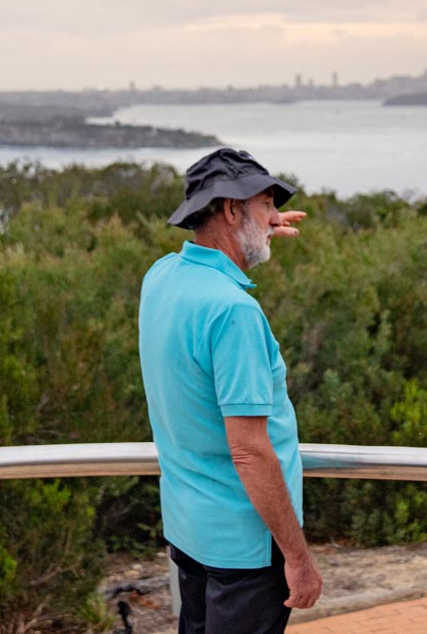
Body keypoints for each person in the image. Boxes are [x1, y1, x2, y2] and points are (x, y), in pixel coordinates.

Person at [139, 148, 317, 634]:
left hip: (189, 531)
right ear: (231, 210)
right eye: (266, 205)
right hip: (244, 550)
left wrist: (257, 233)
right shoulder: (233, 313)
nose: (276, 216)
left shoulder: (161, 278)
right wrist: (297, 557)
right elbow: (250, 451)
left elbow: (214, 255)